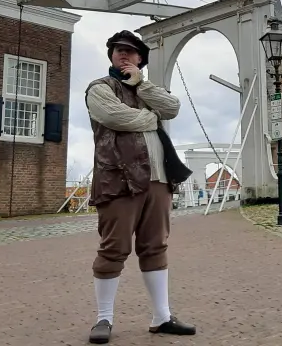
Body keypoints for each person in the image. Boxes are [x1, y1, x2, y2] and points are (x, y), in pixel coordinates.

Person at [85, 30, 196, 344]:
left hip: (158, 180)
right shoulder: (99, 88)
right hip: (118, 180)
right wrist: (150, 117)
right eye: (119, 50)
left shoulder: (147, 89)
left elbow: (172, 107)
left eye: (131, 52)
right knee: (113, 249)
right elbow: (113, 116)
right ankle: (103, 318)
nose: (123, 54)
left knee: (155, 247)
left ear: (140, 60)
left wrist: (142, 85)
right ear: (111, 55)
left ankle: (162, 317)